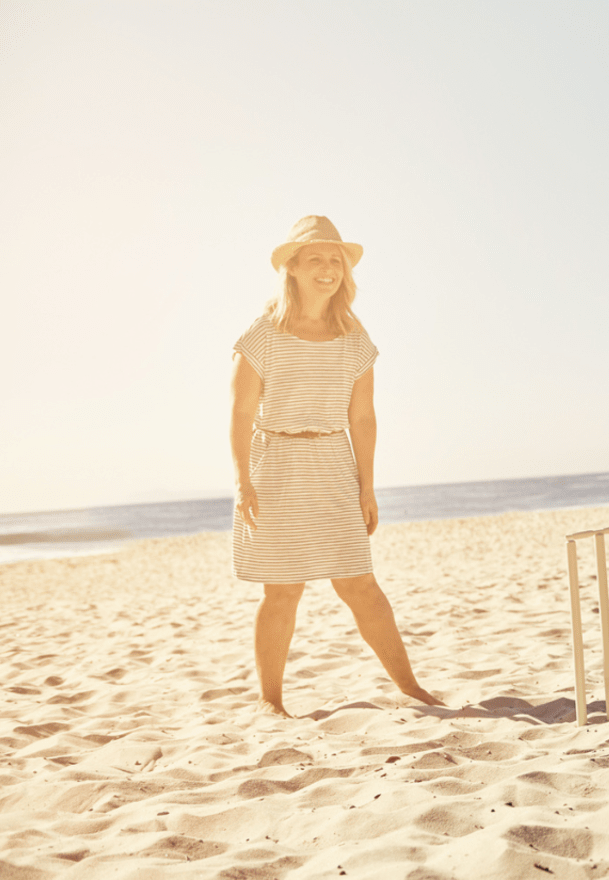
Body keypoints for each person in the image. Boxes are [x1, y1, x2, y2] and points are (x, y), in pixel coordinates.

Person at [230, 215, 443, 717]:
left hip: (332, 462)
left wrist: (367, 488)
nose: (327, 269)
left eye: (335, 260)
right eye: (315, 259)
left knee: (359, 583)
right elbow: (240, 413)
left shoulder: (354, 337)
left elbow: (363, 417)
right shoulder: (263, 334)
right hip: (275, 464)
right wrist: (243, 482)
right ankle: (270, 702)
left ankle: (411, 688)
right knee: (282, 589)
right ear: (294, 270)